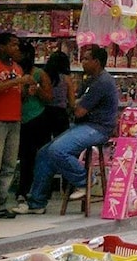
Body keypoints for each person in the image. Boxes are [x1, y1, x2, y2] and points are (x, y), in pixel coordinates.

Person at [13, 45, 118, 215]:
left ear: (96, 62)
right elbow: (76, 104)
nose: (82, 62)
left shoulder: (102, 82)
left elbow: (78, 110)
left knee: (58, 150)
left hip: (98, 128)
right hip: (84, 125)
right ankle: (37, 202)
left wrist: (75, 106)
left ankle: (85, 180)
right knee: (43, 153)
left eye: (85, 59)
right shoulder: (90, 80)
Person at [0, 33, 33, 221]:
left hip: (14, 119)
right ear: (1, 46)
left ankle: (1, 202)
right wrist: (17, 81)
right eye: (13, 45)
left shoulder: (17, 68)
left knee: (9, 165)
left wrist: (27, 91)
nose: (17, 48)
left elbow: (19, 96)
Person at [16, 41, 53, 210]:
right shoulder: (15, 73)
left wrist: (36, 89)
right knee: (24, 159)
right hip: (19, 119)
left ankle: (37, 193)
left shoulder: (39, 74)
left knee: (38, 157)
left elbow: (49, 97)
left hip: (38, 119)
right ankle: (23, 191)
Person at [43, 51, 76, 138]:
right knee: (60, 142)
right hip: (60, 114)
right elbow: (72, 102)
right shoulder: (66, 79)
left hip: (44, 112)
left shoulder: (44, 77)